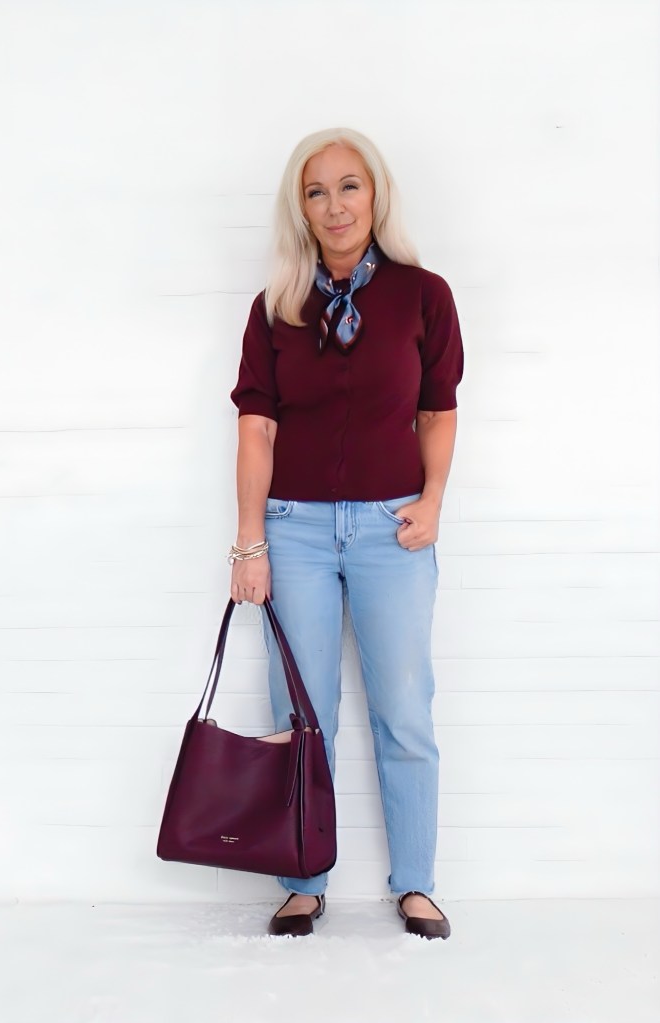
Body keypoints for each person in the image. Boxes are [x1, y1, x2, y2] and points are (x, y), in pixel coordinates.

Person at [229, 127, 464, 939]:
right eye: (316, 190)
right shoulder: (276, 306)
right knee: (303, 712)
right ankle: (303, 879)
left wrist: (432, 501)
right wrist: (250, 541)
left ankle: (417, 882)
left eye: (349, 186)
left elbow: (438, 410)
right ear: (300, 206)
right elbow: (256, 429)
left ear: (376, 194)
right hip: (291, 532)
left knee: (405, 708)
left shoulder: (424, 294)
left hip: (391, 529)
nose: (334, 205)